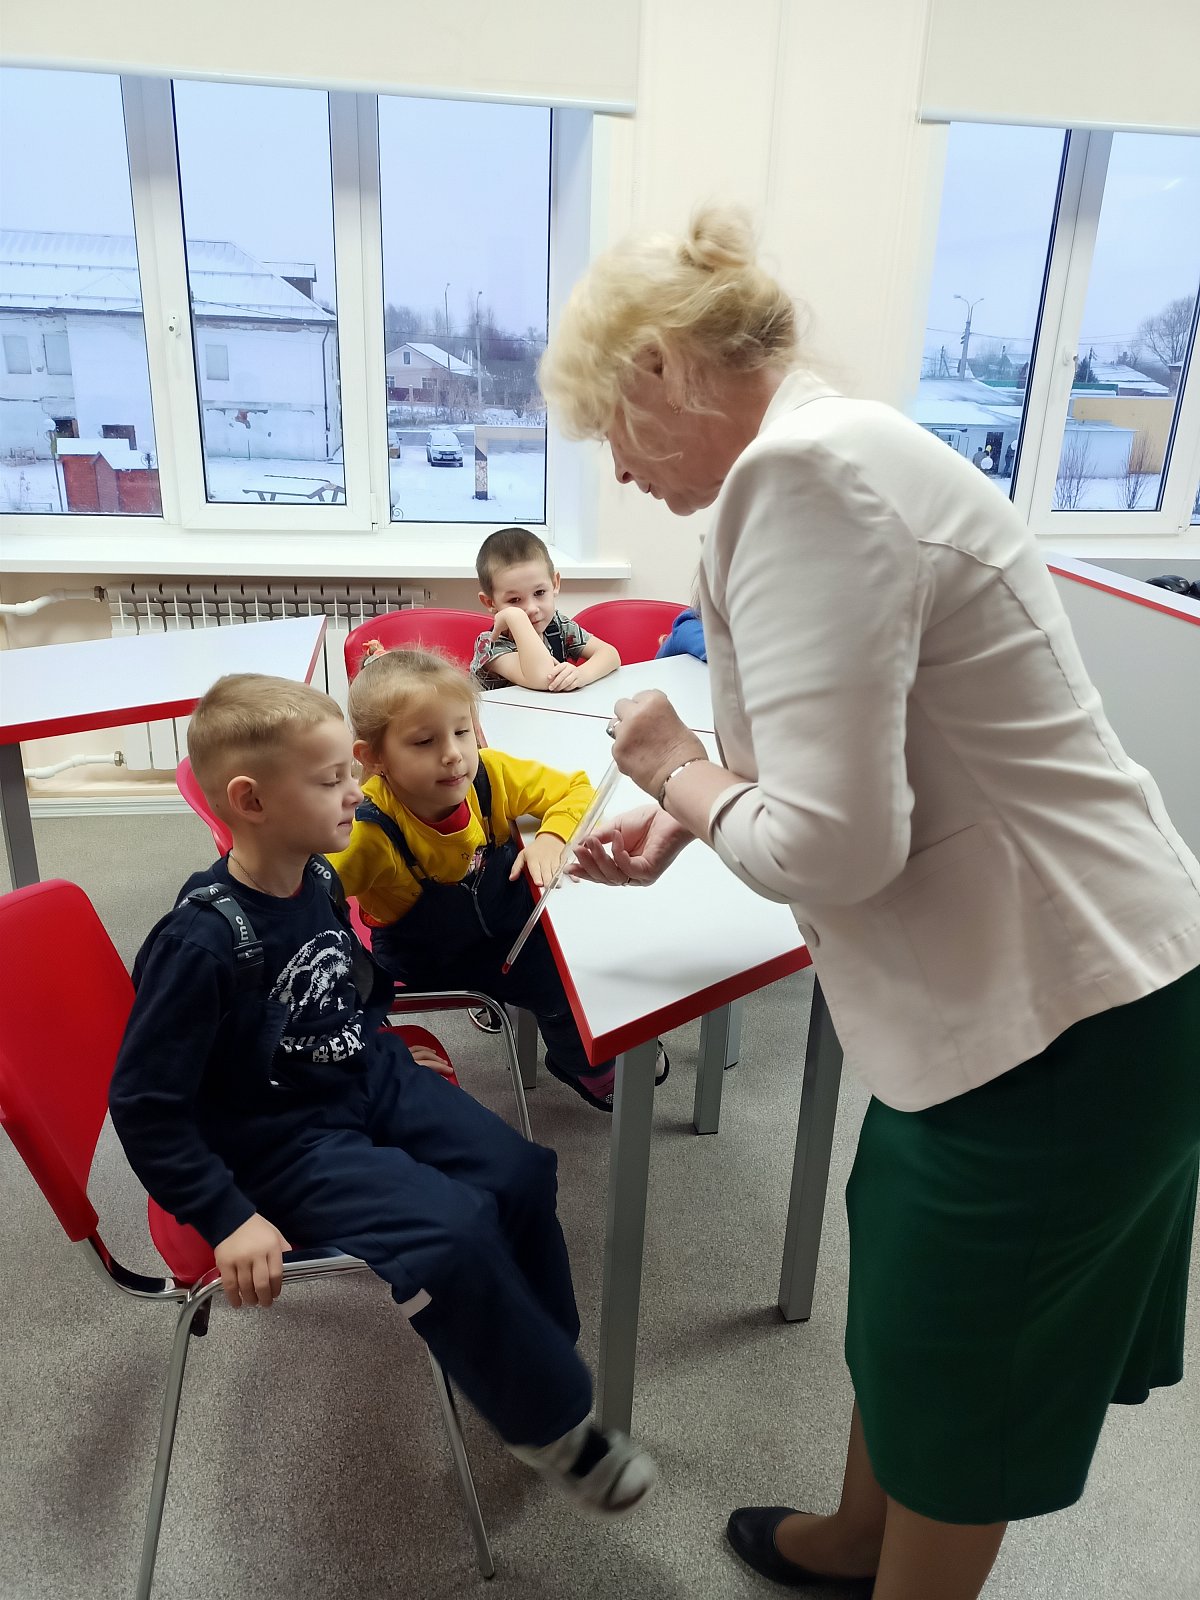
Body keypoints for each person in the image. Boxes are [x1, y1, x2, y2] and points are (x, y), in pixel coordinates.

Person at [537, 205, 1200, 1599]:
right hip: (1019, 991)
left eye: (613, 427)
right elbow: (840, 750)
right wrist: (689, 812)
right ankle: (854, 1541)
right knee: (916, 1304)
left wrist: (673, 768)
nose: (622, 467)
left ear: (662, 366)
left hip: (1062, 1008)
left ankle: (894, 1567)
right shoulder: (839, 452)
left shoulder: (804, 481)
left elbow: (834, 850)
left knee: (974, 1366)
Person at [107, 673, 656, 1516]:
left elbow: (347, 982)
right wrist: (225, 1215)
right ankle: (550, 1424)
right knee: (451, 1232)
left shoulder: (317, 879)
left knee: (521, 1173)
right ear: (251, 802)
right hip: (284, 1140)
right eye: (332, 780)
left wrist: (377, 1046)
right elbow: (146, 1105)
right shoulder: (202, 942)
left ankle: (530, 1353)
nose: (357, 792)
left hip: (366, 1077)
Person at [328, 646, 666, 1112]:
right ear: (374, 757)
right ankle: (580, 1057)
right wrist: (368, 1028)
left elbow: (576, 789)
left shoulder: (491, 774)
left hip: (507, 930)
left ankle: (574, 1057)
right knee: (557, 985)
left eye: (462, 731)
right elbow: (307, 912)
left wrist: (550, 838)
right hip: (427, 960)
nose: (453, 756)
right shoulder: (367, 832)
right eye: (424, 742)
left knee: (579, 969)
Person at [471, 526, 621, 691]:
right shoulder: (490, 644)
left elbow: (610, 654)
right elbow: (542, 678)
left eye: (539, 592)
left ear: (555, 583)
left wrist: (580, 675)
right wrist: (516, 617)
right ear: (490, 603)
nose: (531, 609)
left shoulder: (558, 625)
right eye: (514, 600)